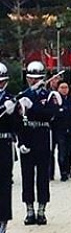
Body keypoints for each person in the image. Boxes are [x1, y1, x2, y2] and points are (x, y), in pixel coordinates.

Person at [17, 61, 59, 226]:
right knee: (27, 176)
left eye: (37, 79)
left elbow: (49, 115)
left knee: (43, 176)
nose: (33, 82)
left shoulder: (49, 96)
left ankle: (42, 210)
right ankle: (29, 210)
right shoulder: (22, 95)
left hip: (42, 137)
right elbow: (17, 120)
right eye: (30, 79)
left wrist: (32, 106)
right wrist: (21, 141)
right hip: (27, 136)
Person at [0, 62, 20, 233]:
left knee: (4, 184)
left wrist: (13, 112)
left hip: (4, 145)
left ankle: (3, 220)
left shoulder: (10, 100)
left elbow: (17, 126)